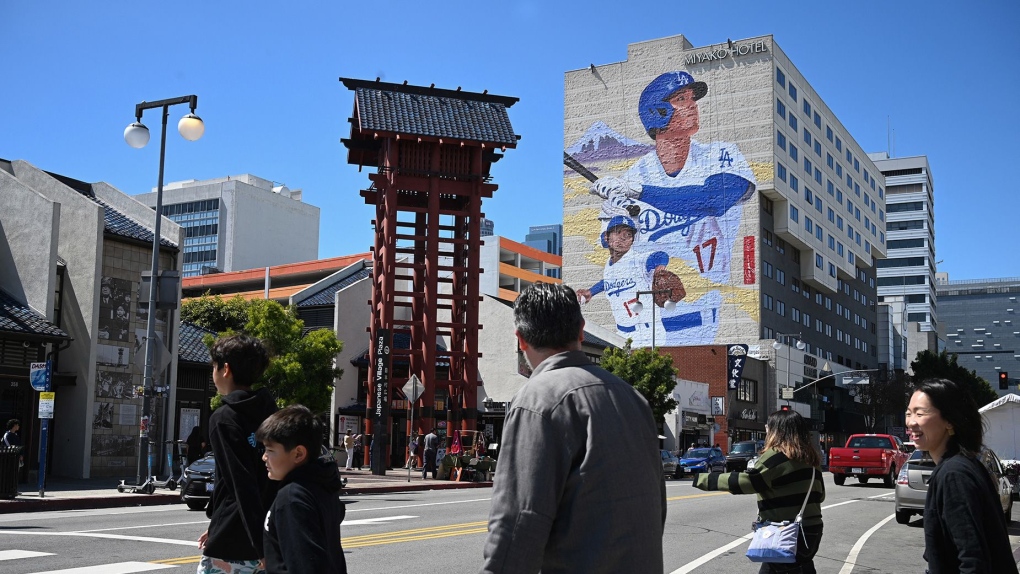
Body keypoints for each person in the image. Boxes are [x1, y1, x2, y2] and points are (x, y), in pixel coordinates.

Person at [481, 283, 665, 573]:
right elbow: (656, 505)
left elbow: (519, 522)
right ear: (581, 330)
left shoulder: (536, 400)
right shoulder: (633, 398)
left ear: (520, 339)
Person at [586, 71, 757, 345]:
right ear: (658, 111)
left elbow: (712, 200)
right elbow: (609, 246)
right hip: (639, 322)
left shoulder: (720, 155)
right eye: (681, 98)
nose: (692, 105)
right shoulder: (631, 177)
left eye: (692, 98)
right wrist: (615, 211)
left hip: (699, 320)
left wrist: (637, 192)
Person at [906, 378, 1018, 573]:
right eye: (908, 413)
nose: (911, 422)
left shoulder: (954, 475)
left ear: (949, 420)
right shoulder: (962, 466)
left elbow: (973, 560)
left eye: (920, 413)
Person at [692, 410, 825, 574]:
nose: (766, 429)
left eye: (768, 426)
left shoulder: (776, 456)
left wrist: (703, 480)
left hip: (785, 534)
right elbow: (820, 495)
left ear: (777, 430)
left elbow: (750, 482)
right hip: (812, 532)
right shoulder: (811, 459)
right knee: (802, 567)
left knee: (782, 568)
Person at [198, 334, 278, 574]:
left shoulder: (225, 419)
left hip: (236, 542)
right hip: (268, 531)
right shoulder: (272, 413)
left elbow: (240, 484)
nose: (212, 372)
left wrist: (258, 545)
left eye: (214, 366)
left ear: (226, 369)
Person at [257, 405, 346, 574]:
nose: (264, 457)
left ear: (298, 454)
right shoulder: (323, 486)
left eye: (270, 450)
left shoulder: (292, 497)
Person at [575, 215, 685, 347]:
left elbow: (659, 255)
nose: (623, 237)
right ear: (607, 237)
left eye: (628, 234)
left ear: (632, 240)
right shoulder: (609, 265)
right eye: (618, 232)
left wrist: (660, 267)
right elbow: (607, 281)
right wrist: (591, 292)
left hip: (646, 333)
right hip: (621, 334)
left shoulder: (638, 260)